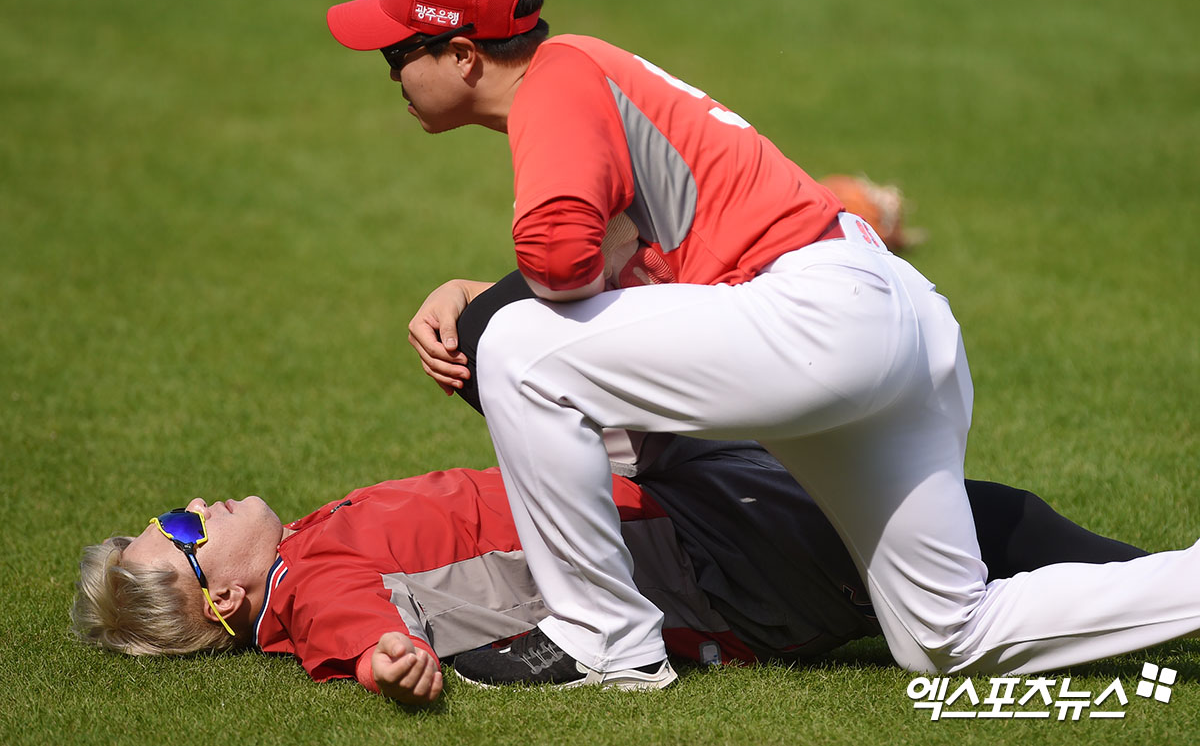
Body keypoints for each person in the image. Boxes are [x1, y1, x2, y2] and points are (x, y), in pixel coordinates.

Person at [326, 0, 1200, 690]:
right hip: (882, 319)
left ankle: (605, 642)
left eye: (398, 53)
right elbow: (624, 282)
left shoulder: (557, 82)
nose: (389, 72)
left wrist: (483, 302)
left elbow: (557, 259)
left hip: (816, 317)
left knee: (512, 341)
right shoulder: (592, 75)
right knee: (945, 636)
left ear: (466, 55)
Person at [71, 439, 1147, 706]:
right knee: (975, 527)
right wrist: (386, 662)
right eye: (182, 526)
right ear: (224, 597)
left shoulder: (302, 546)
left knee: (975, 528)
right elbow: (360, 629)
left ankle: (1154, 595)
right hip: (705, 558)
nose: (196, 503)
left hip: (690, 532)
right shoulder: (309, 585)